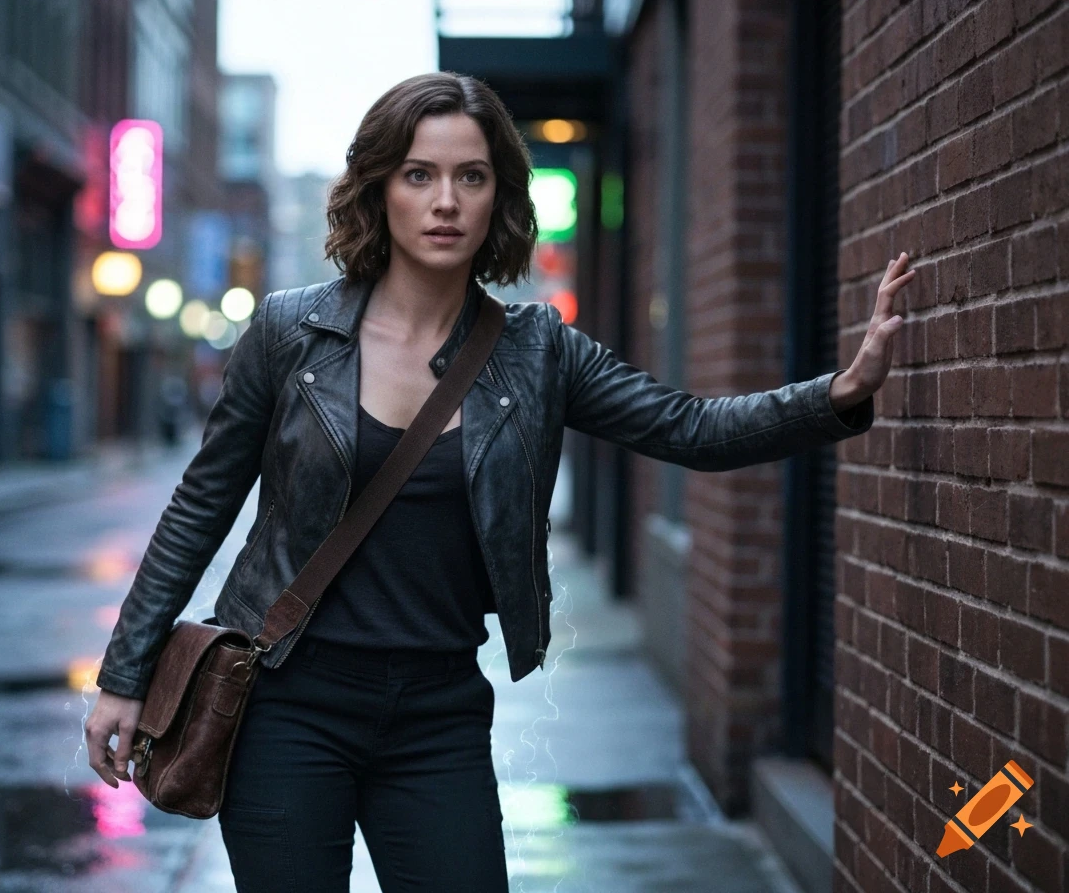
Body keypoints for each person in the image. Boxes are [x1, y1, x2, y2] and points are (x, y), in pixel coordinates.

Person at [85, 72, 911, 891]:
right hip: (286, 705)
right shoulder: (289, 334)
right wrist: (125, 676)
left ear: (499, 198)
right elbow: (200, 506)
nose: (445, 201)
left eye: (471, 177)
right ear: (379, 189)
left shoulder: (539, 351)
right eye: (419, 175)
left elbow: (689, 428)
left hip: (436, 714)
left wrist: (838, 393)